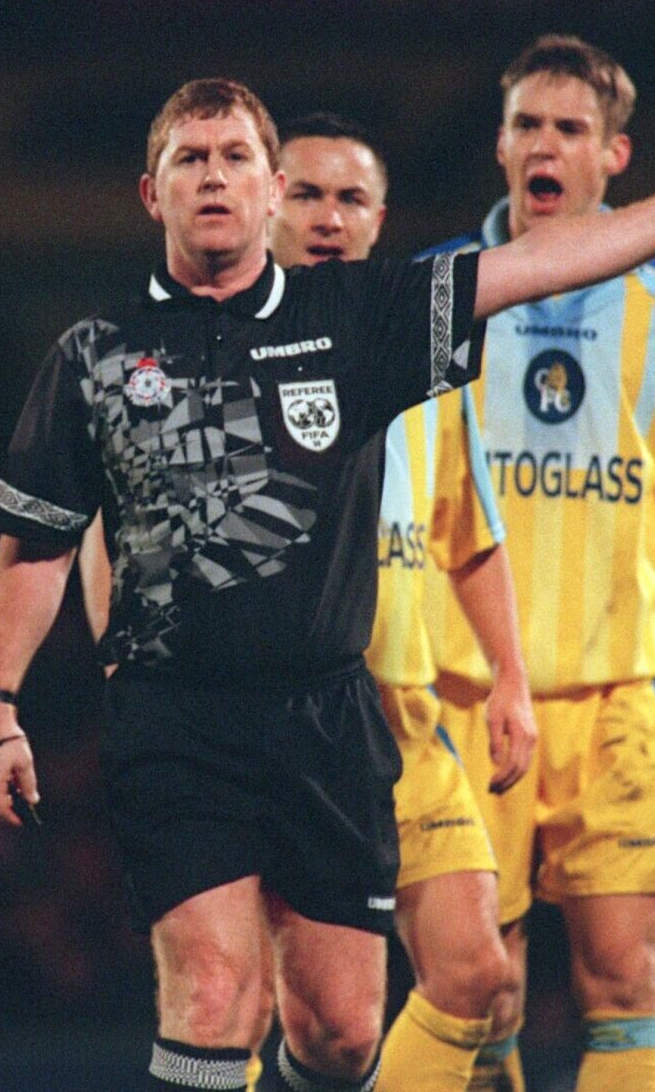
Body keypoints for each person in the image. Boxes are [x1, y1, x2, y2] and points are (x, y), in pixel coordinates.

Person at [0, 76, 655, 1092]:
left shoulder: (358, 319)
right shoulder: (94, 355)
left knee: (341, 1036)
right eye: (189, 159)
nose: (213, 177)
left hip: (333, 723)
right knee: (213, 997)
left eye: (235, 157)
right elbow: (36, 548)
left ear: (268, 187)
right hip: (175, 718)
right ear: (150, 194)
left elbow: (531, 267)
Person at [74, 113, 539, 1091]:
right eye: (314, 193)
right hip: (254, 714)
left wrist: (510, 677)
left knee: (469, 977)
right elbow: (103, 507)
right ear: (275, 199)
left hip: (399, 719)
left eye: (353, 198)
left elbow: (472, 531)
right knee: (233, 1001)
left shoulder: (426, 356)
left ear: (381, 218)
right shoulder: (203, 339)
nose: (331, 217)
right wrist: (120, 653)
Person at [423, 34, 655, 1092]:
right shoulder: (439, 298)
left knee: (625, 987)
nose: (545, 143)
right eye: (527, 123)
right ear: (498, 144)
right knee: (480, 990)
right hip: (467, 693)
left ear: (615, 156)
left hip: (621, 695)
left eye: (569, 128)